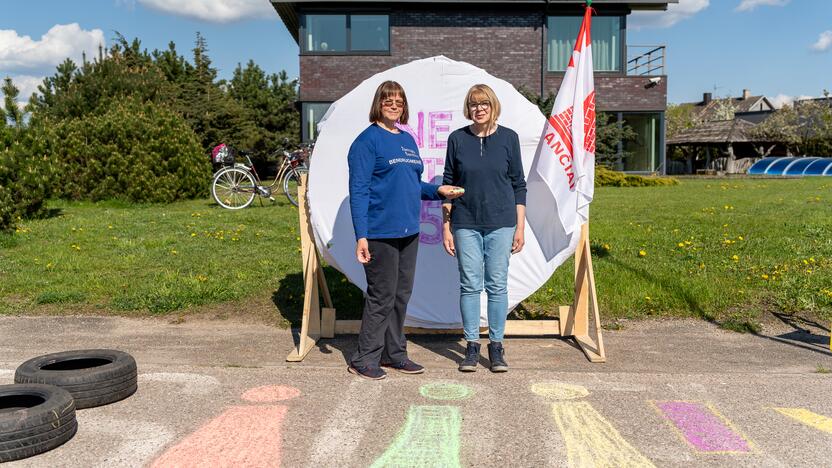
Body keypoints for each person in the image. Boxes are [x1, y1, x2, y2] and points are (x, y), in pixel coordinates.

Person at [348, 80, 462, 380]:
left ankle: (394, 354)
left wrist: (439, 191)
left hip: (408, 231)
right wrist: (361, 235)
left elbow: (412, 185)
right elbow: (358, 190)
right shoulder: (366, 141)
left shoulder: (407, 140)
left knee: (401, 295)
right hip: (379, 232)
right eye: (388, 99)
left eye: (399, 100)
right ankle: (363, 358)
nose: (394, 104)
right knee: (381, 295)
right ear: (379, 103)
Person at [442, 83, 527, 373]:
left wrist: (520, 227)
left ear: (493, 107)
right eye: (474, 104)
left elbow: (519, 184)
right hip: (465, 222)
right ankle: (471, 345)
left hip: (502, 223)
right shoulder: (457, 139)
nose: (479, 109)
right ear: (468, 108)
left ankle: (497, 346)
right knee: (469, 285)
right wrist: (446, 226)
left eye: (484, 104)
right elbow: (448, 184)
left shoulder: (509, 139)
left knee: (497, 285)